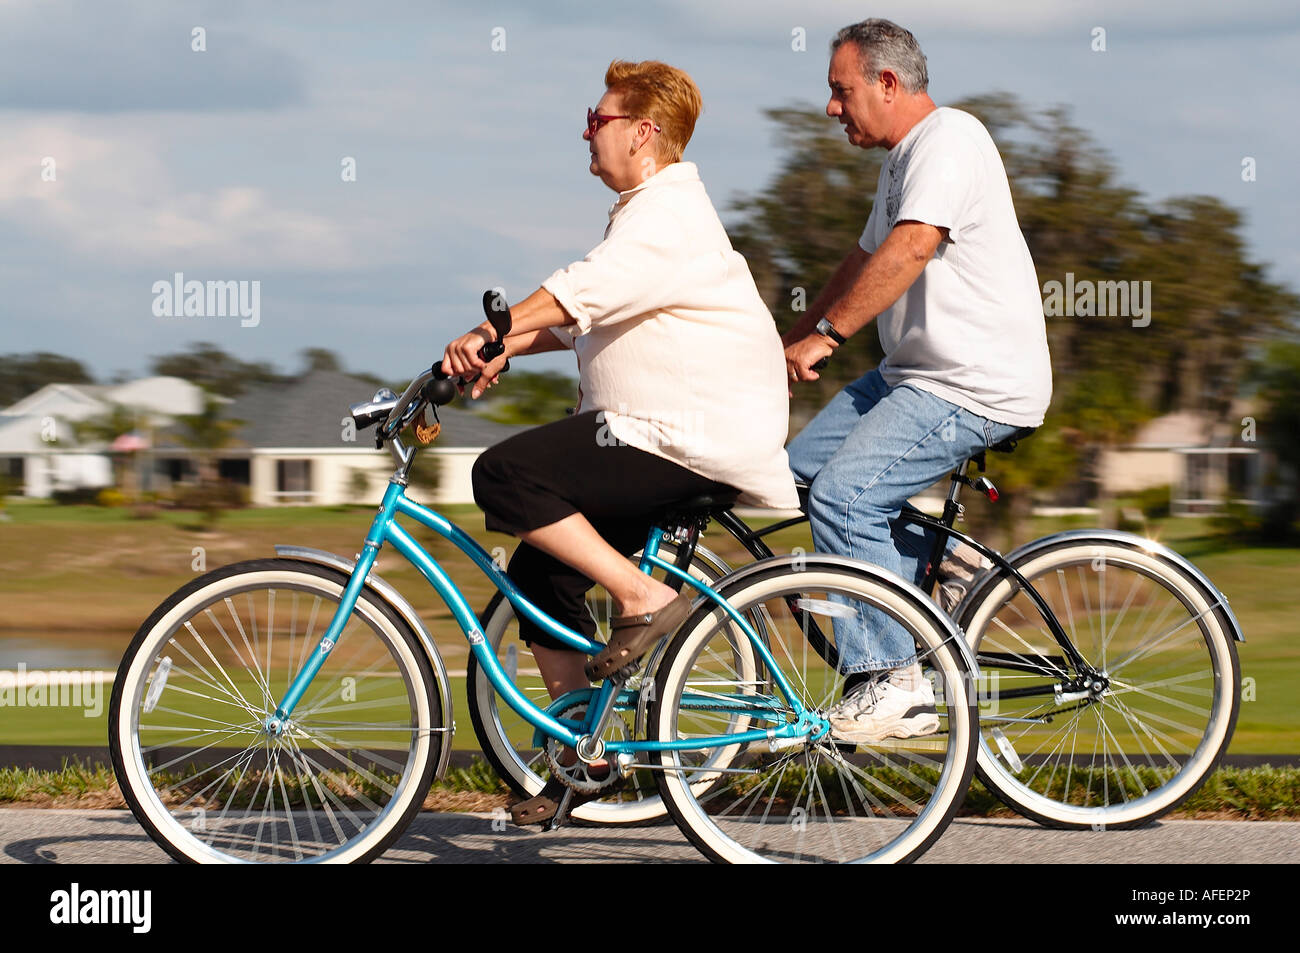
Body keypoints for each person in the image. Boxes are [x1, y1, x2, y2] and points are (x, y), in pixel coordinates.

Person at [441, 60, 798, 823]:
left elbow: (584, 287)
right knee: (539, 574)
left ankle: (642, 596)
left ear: (643, 132)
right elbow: (585, 317)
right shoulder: (647, 215)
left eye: (596, 119)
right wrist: (508, 347)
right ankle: (580, 755)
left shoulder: (667, 214)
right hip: (653, 434)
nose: (585, 131)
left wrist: (493, 328)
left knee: (504, 473)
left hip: (682, 438)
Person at [782, 20, 1052, 744]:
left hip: (974, 384)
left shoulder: (951, 141)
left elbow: (911, 247)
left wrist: (829, 337)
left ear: (887, 83)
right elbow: (864, 257)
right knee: (796, 478)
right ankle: (937, 563)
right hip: (912, 376)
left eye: (842, 91)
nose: (831, 108)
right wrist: (792, 342)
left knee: (847, 496)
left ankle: (893, 680)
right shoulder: (902, 160)